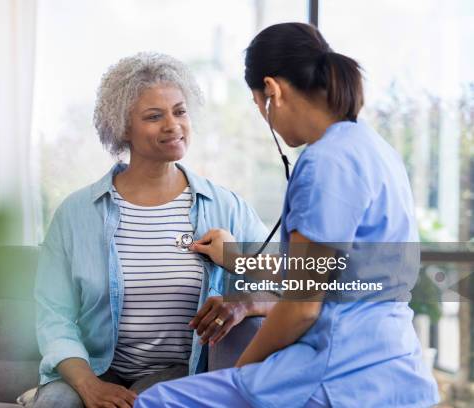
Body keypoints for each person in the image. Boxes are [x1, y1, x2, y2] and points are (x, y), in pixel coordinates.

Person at [134, 23, 440, 408]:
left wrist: (245, 368)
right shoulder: (374, 149)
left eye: (259, 105)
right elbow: (334, 272)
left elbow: (302, 305)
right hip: (396, 372)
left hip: (337, 374)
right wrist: (236, 258)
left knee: (156, 401)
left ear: (272, 92)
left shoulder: (325, 162)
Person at [34, 52, 275, 408]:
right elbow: (53, 315)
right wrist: (88, 385)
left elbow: (297, 287)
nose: (173, 125)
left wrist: (237, 259)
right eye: (154, 116)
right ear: (123, 127)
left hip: (178, 371)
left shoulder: (226, 206)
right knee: (55, 403)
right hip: (92, 369)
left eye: (179, 111)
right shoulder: (75, 214)